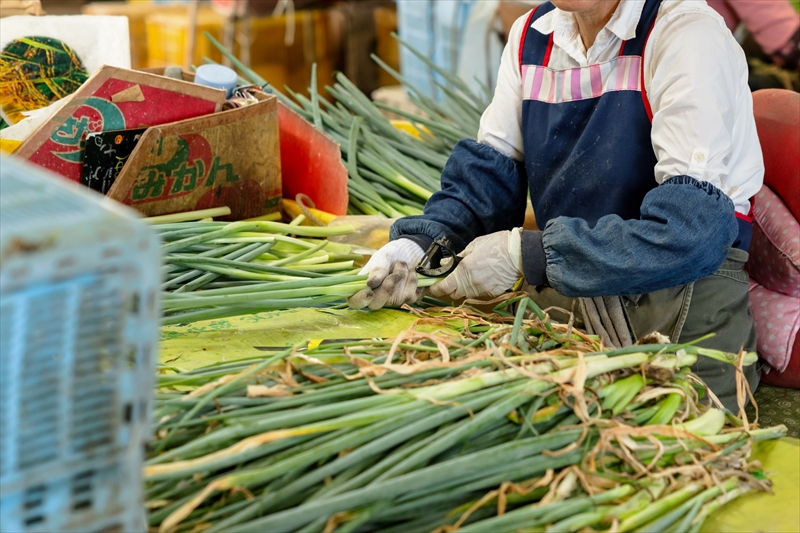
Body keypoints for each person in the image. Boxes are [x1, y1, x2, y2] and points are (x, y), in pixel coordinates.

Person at [349, 0, 764, 411]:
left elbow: (691, 233)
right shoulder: (533, 36)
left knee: (666, 462)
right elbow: (486, 183)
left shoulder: (684, 34)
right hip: (573, 304)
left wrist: (525, 254)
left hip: (679, 310)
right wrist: (419, 244)